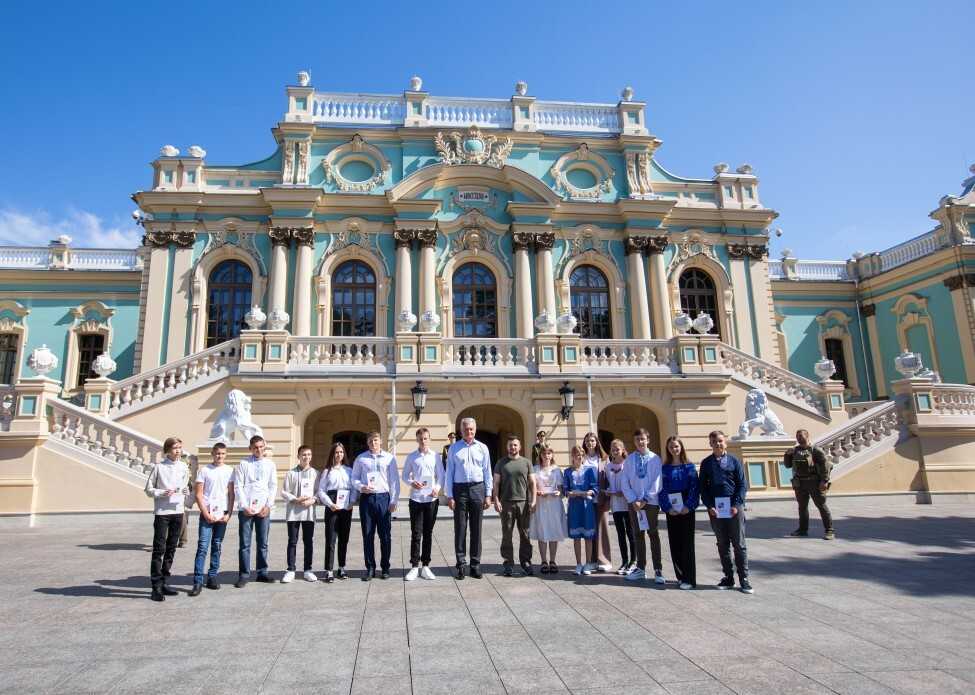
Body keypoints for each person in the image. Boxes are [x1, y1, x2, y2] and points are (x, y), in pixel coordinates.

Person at [700, 430, 751, 594]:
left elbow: (742, 485)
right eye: (714, 441)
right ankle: (728, 577)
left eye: (720, 441)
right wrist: (709, 506)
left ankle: (744, 578)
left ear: (725, 442)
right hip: (716, 509)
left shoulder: (734, 461)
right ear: (710, 444)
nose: (717, 444)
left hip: (734, 507)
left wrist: (737, 504)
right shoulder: (706, 463)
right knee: (722, 544)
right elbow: (703, 487)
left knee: (739, 543)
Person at [445, 417, 493, 580]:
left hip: (477, 488)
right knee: (460, 527)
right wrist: (449, 495)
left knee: (476, 528)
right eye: (466, 429)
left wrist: (488, 494)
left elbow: (487, 472)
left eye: (471, 429)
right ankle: (461, 564)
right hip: (459, 490)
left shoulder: (483, 448)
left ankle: (475, 564)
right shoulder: (454, 448)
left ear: (475, 429)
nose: (469, 432)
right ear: (461, 430)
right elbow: (449, 473)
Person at [144, 436, 190, 601]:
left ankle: (164, 581)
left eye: (180, 447)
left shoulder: (184, 467)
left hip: (178, 511)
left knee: (171, 548)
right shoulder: (159, 467)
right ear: (167, 450)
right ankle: (155, 586)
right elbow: (148, 489)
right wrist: (161, 493)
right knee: (159, 549)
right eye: (175, 448)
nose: (178, 451)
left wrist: (186, 491)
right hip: (162, 513)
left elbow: (186, 486)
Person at [351, 431, 399, 581]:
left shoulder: (389, 458)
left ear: (381, 441)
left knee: (385, 536)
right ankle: (370, 568)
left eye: (376, 440)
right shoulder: (361, 458)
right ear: (367, 442)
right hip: (367, 499)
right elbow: (354, 478)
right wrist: (361, 487)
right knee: (368, 535)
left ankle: (385, 567)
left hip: (384, 498)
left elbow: (394, 481)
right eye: (371, 441)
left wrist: (394, 501)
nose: (373, 443)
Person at [189, 442, 234, 596]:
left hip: (222, 514)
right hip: (207, 514)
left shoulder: (229, 471)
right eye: (217, 453)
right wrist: (205, 513)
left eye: (222, 453)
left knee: (217, 545)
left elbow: (231, 494)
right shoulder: (204, 470)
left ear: (226, 454)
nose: (219, 456)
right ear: (212, 454)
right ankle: (197, 581)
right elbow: (199, 494)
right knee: (202, 547)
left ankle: (213, 576)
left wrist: (229, 513)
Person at [233, 435, 277, 588]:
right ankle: (244, 574)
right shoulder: (243, 463)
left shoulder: (270, 464)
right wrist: (245, 506)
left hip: (263, 509)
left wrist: (268, 506)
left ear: (264, 447)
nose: (259, 450)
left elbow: (272, 486)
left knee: (263, 543)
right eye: (256, 447)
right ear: (250, 448)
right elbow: (238, 486)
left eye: (261, 447)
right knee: (245, 544)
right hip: (246, 510)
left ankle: (262, 572)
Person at [622, 428, 665, 584]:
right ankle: (640, 568)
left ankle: (658, 569)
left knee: (653, 534)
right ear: (634, 441)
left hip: (650, 503)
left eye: (643, 439)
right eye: (637, 439)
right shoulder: (629, 460)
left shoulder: (655, 459)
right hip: (634, 504)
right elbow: (624, 481)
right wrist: (634, 500)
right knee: (638, 535)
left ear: (648, 440)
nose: (640, 442)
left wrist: (645, 499)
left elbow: (657, 481)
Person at [659, 436, 700, 590]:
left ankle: (689, 578)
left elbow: (695, 488)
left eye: (676, 446)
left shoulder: (689, 467)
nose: (674, 449)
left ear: (681, 447)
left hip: (686, 507)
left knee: (687, 544)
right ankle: (680, 576)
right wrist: (668, 507)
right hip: (672, 507)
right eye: (671, 447)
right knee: (675, 543)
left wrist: (688, 506)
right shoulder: (664, 468)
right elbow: (661, 489)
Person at [493, 435, 536, 576]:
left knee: (525, 534)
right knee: (507, 534)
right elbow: (496, 483)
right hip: (506, 503)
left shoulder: (526, 463)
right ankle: (508, 563)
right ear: (507, 447)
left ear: (520, 447)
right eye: (510, 445)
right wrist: (496, 500)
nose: (513, 447)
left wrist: (533, 500)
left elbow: (532, 483)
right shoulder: (501, 463)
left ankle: (526, 562)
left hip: (523, 503)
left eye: (515, 445)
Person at [403, 427, 443, 581]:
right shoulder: (412, 457)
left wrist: (437, 489)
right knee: (416, 533)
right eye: (420, 439)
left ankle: (425, 565)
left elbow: (441, 475)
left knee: (428, 533)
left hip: (431, 500)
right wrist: (412, 482)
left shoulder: (435, 456)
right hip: (416, 499)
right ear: (417, 440)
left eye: (425, 438)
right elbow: (405, 475)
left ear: (429, 439)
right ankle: (414, 566)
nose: (423, 441)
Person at [784, 429, 834, 540]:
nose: (799, 438)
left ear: (807, 436)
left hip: (814, 482)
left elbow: (825, 466)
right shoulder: (795, 451)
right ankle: (802, 530)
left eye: (801, 436)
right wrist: (787, 455)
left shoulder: (815, 450)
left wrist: (824, 481)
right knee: (802, 507)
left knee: (821, 506)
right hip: (800, 483)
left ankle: (829, 530)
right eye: (797, 436)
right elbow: (787, 465)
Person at [280, 444, 318, 584]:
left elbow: (318, 492)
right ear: (298, 456)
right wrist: (295, 499)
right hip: (293, 513)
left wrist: (312, 500)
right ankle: (290, 570)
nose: (306, 457)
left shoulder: (315, 473)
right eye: (303, 455)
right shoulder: (291, 473)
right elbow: (284, 492)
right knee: (292, 541)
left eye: (308, 454)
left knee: (308, 541)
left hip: (308, 512)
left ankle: (308, 570)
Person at [317, 442, 354, 583]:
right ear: (332, 454)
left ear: (344, 454)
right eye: (336, 452)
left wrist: (352, 501)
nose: (339, 455)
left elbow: (354, 489)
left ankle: (341, 567)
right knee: (331, 538)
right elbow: (321, 491)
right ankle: (329, 570)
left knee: (344, 538)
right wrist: (330, 504)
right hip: (332, 505)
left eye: (341, 452)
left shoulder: (349, 470)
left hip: (346, 505)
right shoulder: (327, 471)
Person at [530, 444, 566, 574]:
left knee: (553, 531)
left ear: (552, 455)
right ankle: (543, 560)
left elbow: (561, 488)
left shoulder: (557, 470)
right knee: (542, 531)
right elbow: (532, 487)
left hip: (554, 504)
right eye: (544, 453)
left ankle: (553, 560)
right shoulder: (535, 469)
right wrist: (537, 493)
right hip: (541, 504)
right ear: (540, 455)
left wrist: (559, 493)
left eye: (549, 453)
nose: (547, 456)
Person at [581, 432, 612, 572]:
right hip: (586, 499)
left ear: (597, 442)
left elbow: (609, 478)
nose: (590, 443)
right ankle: (592, 560)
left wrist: (608, 496)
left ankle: (604, 559)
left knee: (602, 528)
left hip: (601, 497)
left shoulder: (604, 459)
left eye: (592, 440)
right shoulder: (582, 458)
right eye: (587, 441)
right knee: (590, 529)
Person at [564, 445, 598, 575]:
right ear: (572, 456)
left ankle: (588, 563)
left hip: (586, 505)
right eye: (576, 454)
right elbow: (566, 489)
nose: (579, 457)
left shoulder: (590, 470)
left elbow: (595, 487)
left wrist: (589, 492)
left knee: (588, 536)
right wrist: (570, 493)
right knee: (576, 536)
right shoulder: (567, 471)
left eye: (581, 454)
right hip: (574, 506)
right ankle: (578, 563)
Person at [605, 439, 636, 575]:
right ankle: (624, 561)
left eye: (617, 449)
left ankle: (633, 561)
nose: (615, 451)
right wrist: (608, 491)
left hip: (627, 503)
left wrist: (624, 492)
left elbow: (633, 483)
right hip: (616, 504)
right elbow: (608, 482)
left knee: (630, 532)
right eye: (613, 449)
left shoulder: (627, 464)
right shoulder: (608, 466)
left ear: (623, 450)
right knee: (620, 534)